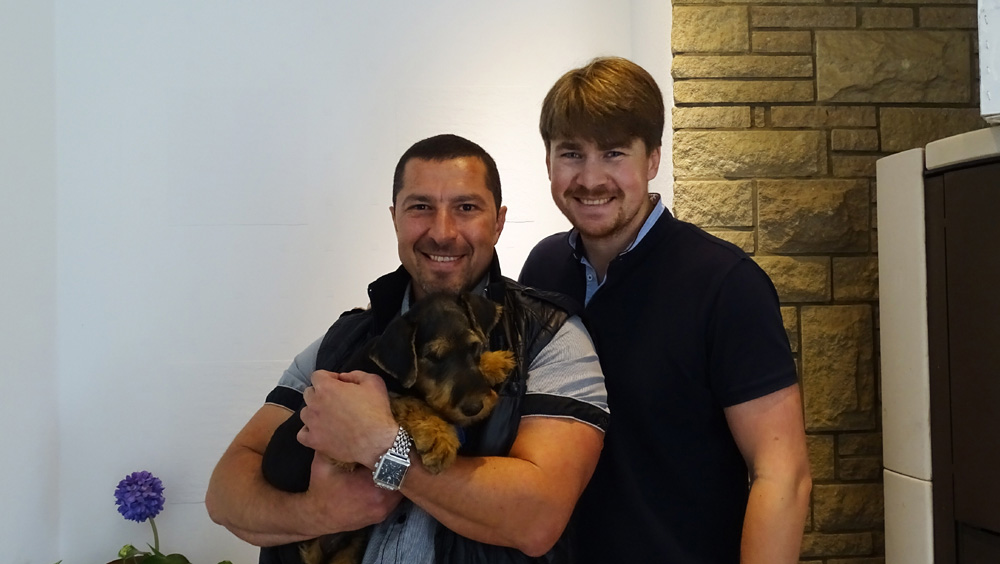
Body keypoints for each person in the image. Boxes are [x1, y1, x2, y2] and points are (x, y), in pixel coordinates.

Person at [205, 133, 608, 564]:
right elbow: (224, 494)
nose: (442, 232)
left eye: (466, 208)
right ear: (395, 218)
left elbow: (536, 520)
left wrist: (384, 449)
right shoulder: (343, 340)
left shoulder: (550, 337)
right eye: (420, 207)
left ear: (498, 222)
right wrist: (320, 512)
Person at [519, 57, 812, 564]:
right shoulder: (542, 270)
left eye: (613, 153)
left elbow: (782, 472)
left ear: (653, 158)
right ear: (548, 161)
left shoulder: (726, 284)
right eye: (571, 154)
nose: (590, 178)